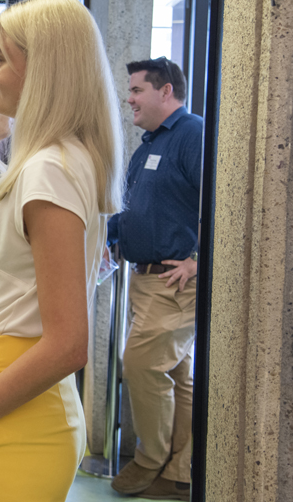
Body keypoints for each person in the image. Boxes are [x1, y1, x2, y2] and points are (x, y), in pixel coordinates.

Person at [0, 0, 124, 502]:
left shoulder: (47, 168)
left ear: (41, 67)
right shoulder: (60, 159)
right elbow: (38, 274)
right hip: (10, 395)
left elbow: (68, 341)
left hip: (9, 410)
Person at [108, 57, 201, 502]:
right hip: (145, 280)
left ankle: (149, 459)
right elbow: (133, 209)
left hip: (174, 282)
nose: (129, 99)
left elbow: (227, 203)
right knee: (177, 377)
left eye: (136, 90)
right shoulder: (148, 145)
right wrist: (108, 239)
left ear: (166, 92)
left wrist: (200, 261)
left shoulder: (193, 135)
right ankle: (180, 473)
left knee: (142, 366)